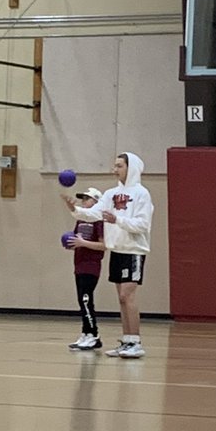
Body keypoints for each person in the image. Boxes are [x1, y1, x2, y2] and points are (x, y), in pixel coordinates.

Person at [73, 153, 153, 358]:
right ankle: (127, 340)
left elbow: (142, 225)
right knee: (121, 298)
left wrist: (117, 220)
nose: (114, 169)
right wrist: (75, 210)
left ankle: (136, 341)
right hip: (117, 250)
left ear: (131, 167)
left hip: (133, 250)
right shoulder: (110, 193)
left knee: (128, 295)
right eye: (115, 165)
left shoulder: (142, 194)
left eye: (119, 165)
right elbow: (94, 213)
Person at [61, 187, 105, 350]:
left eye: (87, 198)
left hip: (91, 266)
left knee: (86, 300)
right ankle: (86, 333)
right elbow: (77, 239)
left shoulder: (98, 220)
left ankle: (94, 334)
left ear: (96, 201)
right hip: (78, 264)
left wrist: (84, 244)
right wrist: (71, 244)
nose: (83, 201)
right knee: (82, 300)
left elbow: (104, 245)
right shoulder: (80, 220)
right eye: (83, 199)